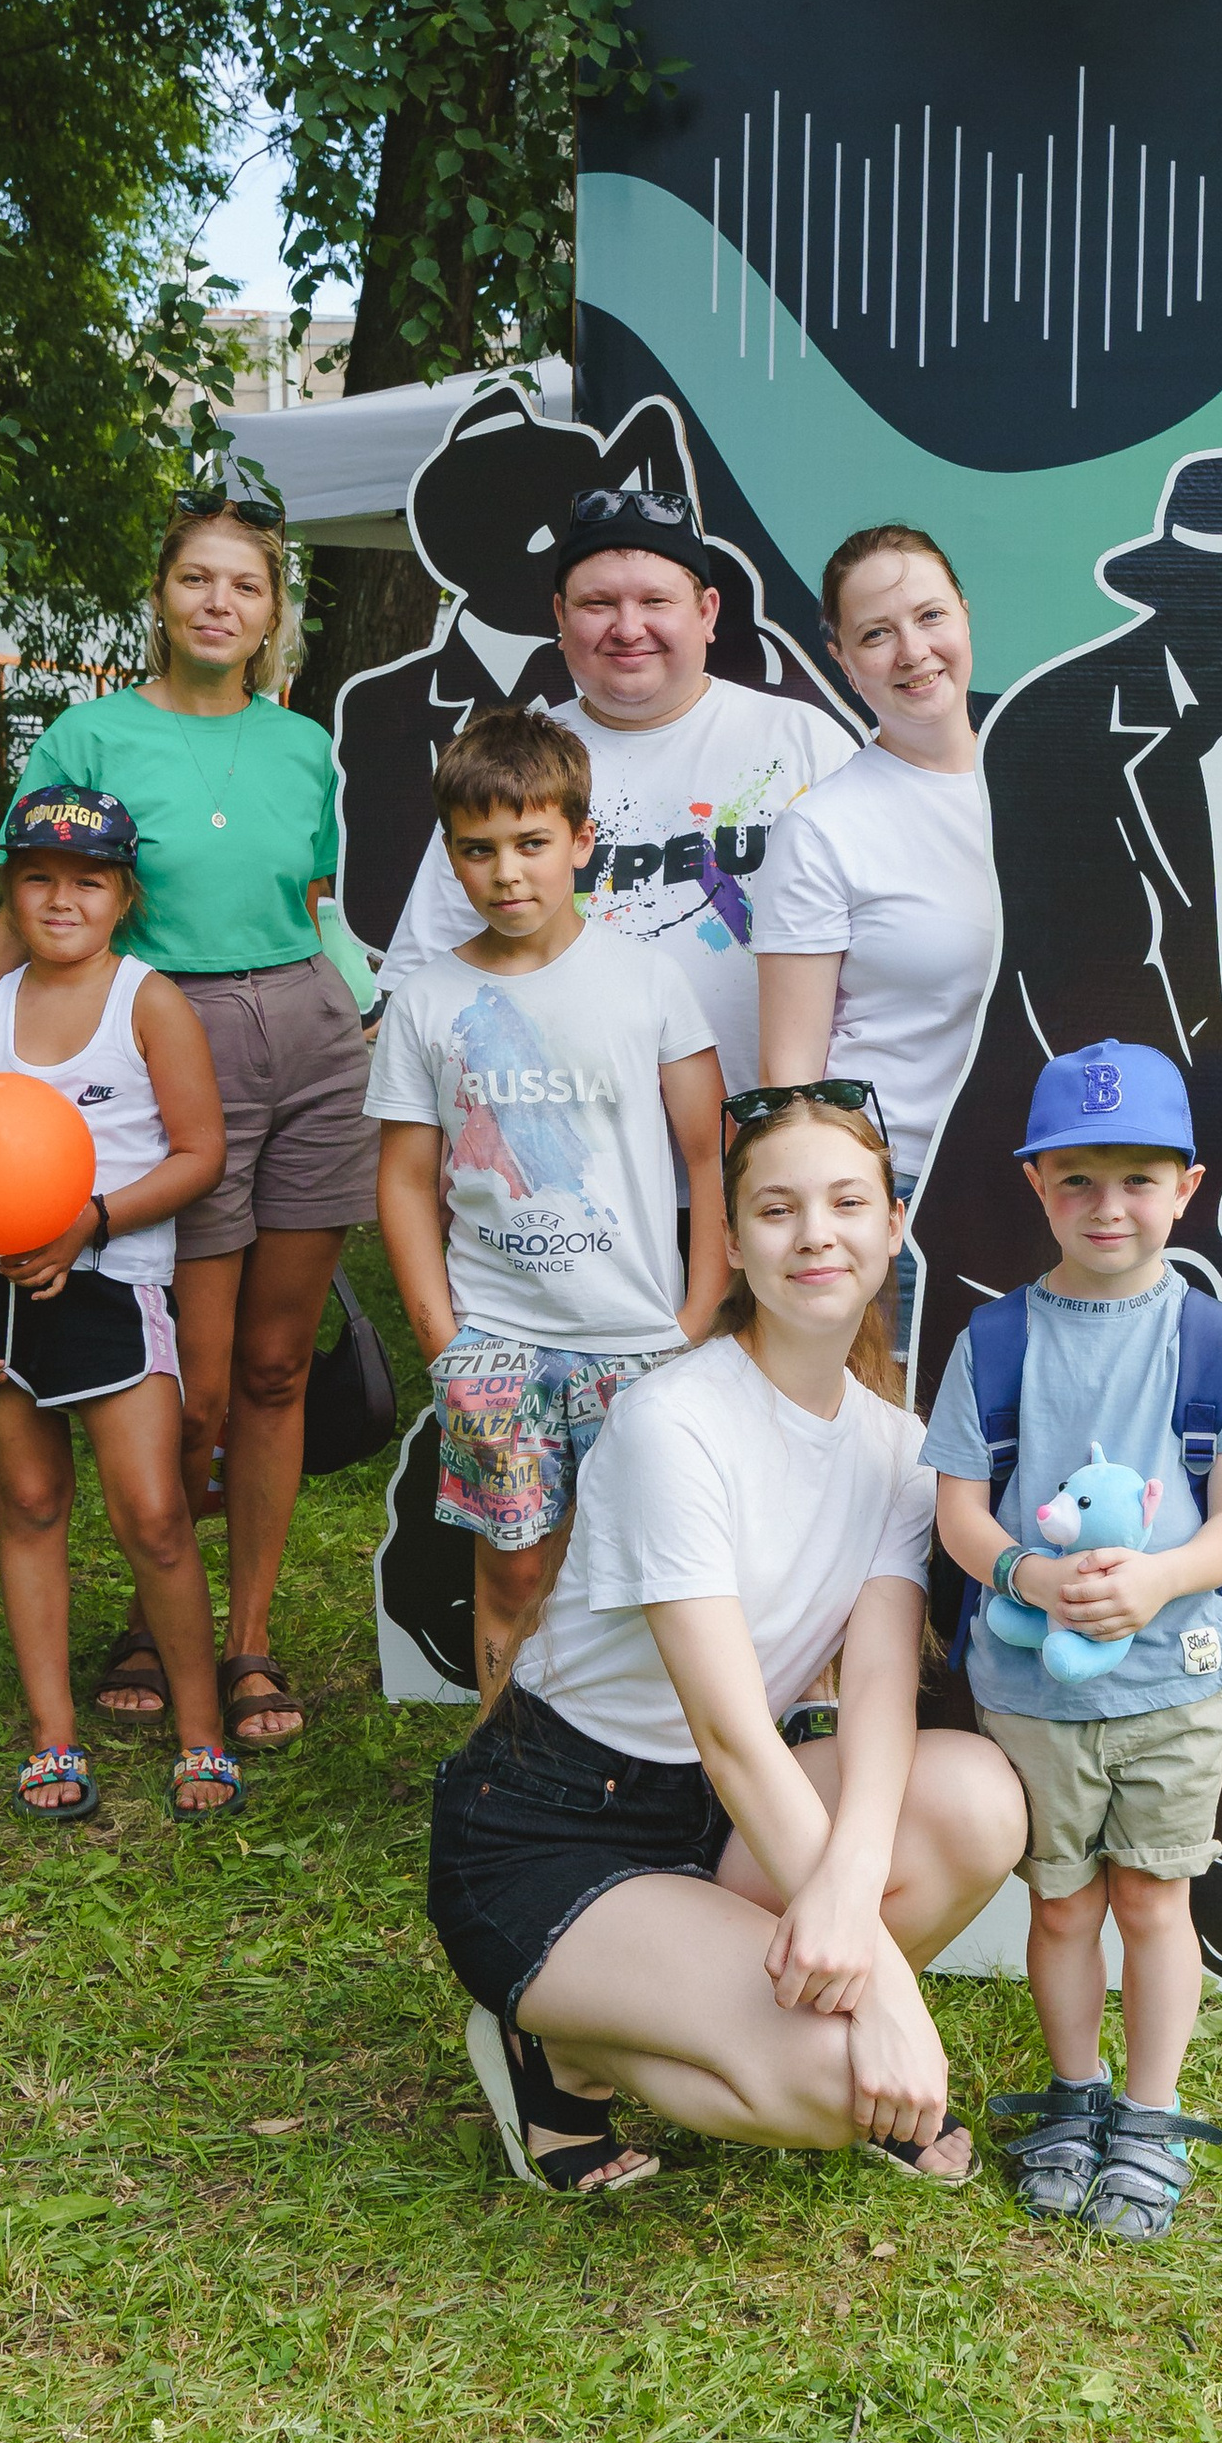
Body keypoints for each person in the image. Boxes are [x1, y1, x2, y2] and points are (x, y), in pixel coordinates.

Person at [425, 1084, 1024, 2194]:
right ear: (735, 1246)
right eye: (777, 1209)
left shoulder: (898, 1447)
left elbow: (880, 1694)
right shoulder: (676, 1421)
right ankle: (554, 2050)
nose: (815, 1235)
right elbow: (731, 1726)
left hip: (722, 1816)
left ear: (891, 1228)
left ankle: (734, 1991)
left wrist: (850, 1900)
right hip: (552, 1829)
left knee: (978, 1798)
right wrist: (888, 1995)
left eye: (847, 1203)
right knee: (846, 2083)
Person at [0, 493, 375, 1755]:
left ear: (271, 612)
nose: (218, 604)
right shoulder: (91, 731)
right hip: (168, 1035)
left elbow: (323, 890)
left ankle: (245, 1636)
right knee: (186, 1379)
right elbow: (33, 897)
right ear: (163, 595)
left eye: (244, 586)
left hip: (306, 1026)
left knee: (280, 1365)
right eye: (196, 580)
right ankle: (148, 1612)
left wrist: (366, 1016)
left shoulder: (301, 745)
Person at [927, 1038, 1222, 2238]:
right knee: (1064, 1907)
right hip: (1031, 1691)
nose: (1108, 1206)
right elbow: (959, 1514)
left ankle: (1147, 2111)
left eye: (1138, 1178)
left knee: (1152, 1904)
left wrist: (1158, 1581)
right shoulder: (996, 1343)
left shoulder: (1212, 1344)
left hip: (1174, 1683)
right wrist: (1024, 1571)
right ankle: (1075, 2098)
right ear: (1037, 1186)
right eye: (1078, 1179)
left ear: (1187, 1186)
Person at [368, 708, 732, 1705]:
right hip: (496, 1340)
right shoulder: (428, 1001)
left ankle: (643, 1775)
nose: (507, 873)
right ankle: (504, 1775)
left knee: (644, 1575)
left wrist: (690, 1323)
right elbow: (403, 1181)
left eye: (531, 843)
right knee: (514, 1569)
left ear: (580, 840)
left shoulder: (648, 982)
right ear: (451, 856)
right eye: (478, 850)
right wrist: (445, 1336)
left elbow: (711, 1164)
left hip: (636, 1341)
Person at [0, 788, 240, 1824]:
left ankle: (201, 1733)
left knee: (151, 1512)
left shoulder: (148, 1001)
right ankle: (53, 1733)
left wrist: (90, 1223)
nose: (62, 899)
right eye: (38, 878)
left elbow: (201, 1154)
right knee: (30, 1503)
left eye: (87, 881)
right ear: (8, 891)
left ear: (124, 896)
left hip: (110, 1281)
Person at [379, 487, 858, 1151]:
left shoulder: (805, 743)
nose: (628, 627)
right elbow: (424, 976)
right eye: (599, 603)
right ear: (561, 616)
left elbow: (882, 954)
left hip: (776, 1159)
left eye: (655, 601)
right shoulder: (517, 760)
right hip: (569, 1176)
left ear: (707, 612)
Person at [754, 526, 999, 1341]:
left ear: (965, 613)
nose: (912, 651)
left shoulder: (1058, 771)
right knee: (895, 1463)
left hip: (1058, 1182)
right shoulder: (823, 830)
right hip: (903, 1205)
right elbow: (792, 1083)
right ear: (842, 660)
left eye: (930, 615)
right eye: (876, 634)